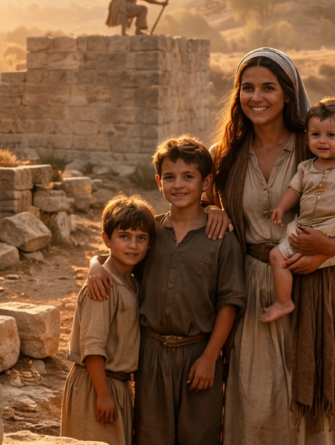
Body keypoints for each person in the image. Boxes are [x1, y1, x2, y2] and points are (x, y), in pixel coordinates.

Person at [208, 48, 335, 444]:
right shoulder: (228, 157)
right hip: (255, 292)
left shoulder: (321, 146)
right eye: (247, 88)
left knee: (321, 409)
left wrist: (328, 248)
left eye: (269, 87)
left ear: (288, 94)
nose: (257, 97)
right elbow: (184, 206)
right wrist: (209, 208)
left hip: (322, 287)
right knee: (257, 399)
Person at [86, 136, 246, 445]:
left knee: (200, 435)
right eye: (170, 177)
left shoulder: (222, 238)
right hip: (150, 355)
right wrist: (95, 263)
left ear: (206, 181)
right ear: (159, 182)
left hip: (198, 353)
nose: (179, 185)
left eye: (189, 177)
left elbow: (229, 302)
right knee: (149, 435)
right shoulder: (151, 232)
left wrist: (210, 358)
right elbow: (118, 263)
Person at [263, 98, 335, 323]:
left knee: (311, 256)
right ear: (307, 137)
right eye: (315, 135)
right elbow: (294, 191)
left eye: (331, 135)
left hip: (334, 227)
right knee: (276, 255)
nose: (322, 141)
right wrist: (281, 208)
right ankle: (284, 302)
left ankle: (320, 259)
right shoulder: (305, 168)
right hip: (305, 227)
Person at [61, 194, 153, 445]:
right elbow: (92, 347)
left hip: (117, 386)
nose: (133, 245)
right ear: (107, 239)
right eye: (124, 236)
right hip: (96, 385)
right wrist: (103, 394)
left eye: (141, 238)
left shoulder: (132, 283)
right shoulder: (103, 287)